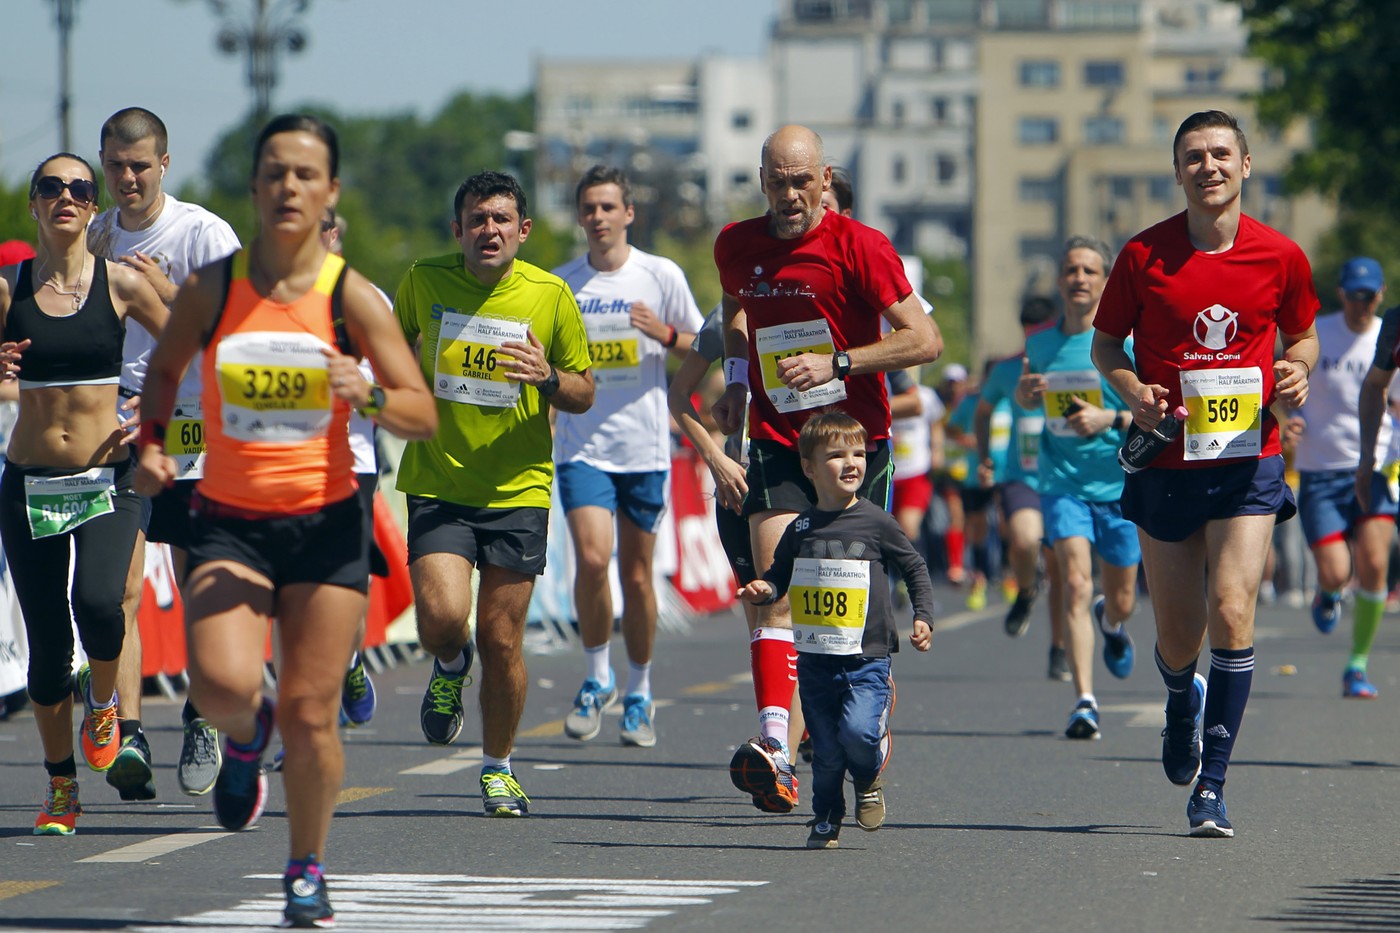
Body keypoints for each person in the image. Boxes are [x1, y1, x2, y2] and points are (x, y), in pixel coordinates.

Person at [134, 114, 436, 925]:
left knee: (313, 710)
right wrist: (155, 444)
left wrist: (364, 390)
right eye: (275, 172)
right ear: (256, 187)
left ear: (330, 190)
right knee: (222, 682)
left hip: (327, 520)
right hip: (227, 518)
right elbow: (164, 369)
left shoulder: (349, 297)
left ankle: (306, 865)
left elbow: (420, 410)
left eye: (306, 174)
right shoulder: (214, 288)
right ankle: (243, 735)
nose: (289, 186)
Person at [1093, 110, 1319, 838]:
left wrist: (1297, 370)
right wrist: (1131, 391)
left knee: (1231, 609)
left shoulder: (1279, 256)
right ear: (1179, 171)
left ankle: (1212, 786)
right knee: (1179, 635)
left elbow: (1304, 336)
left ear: (1246, 165)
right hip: (1166, 460)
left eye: (1222, 154)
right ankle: (1180, 701)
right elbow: (1105, 347)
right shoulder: (1143, 256)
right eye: (1195, 156)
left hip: (1247, 458)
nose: (1209, 166)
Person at [711, 124, 942, 813]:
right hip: (781, 442)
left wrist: (841, 362)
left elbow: (925, 340)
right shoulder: (735, 246)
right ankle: (775, 744)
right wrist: (733, 379)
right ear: (762, 180)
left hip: (852, 446)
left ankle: (866, 707)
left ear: (824, 178)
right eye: (777, 181)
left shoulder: (861, 246)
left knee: (839, 602)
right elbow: (733, 314)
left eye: (802, 181)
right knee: (776, 581)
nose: (790, 195)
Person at [397, 171, 593, 818]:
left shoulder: (550, 293)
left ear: (523, 229)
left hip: (518, 488)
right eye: (478, 219)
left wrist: (547, 376)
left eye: (502, 219)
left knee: (503, 637)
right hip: (439, 482)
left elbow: (585, 390)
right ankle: (451, 665)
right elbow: (389, 349)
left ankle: (498, 766)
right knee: (443, 619)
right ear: (459, 229)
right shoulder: (424, 279)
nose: (490, 230)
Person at [0, 152, 167, 834]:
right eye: (51, 187)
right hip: (31, 483)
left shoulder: (123, 283)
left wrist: (152, 417)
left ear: (92, 207)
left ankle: (104, 702)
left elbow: (192, 346)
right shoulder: (7, 290)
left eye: (78, 188)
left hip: (107, 474)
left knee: (100, 603)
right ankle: (61, 786)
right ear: (35, 205)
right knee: (44, 649)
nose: (64, 196)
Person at [88, 107, 242, 801]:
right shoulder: (93, 235)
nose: (127, 179)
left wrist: (169, 292)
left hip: (195, 427)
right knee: (116, 587)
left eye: (140, 166)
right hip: (117, 426)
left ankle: (203, 713)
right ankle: (131, 734)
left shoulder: (201, 231)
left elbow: (243, 326)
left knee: (198, 587)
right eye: (116, 165)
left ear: (165, 164)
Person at [551, 166, 703, 748]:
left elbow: (707, 341)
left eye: (608, 207)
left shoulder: (659, 274)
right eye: (588, 208)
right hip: (582, 447)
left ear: (628, 214)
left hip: (644, 448)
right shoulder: (563, 285)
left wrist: (664, 335)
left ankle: (639, 692)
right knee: (593, 561)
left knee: (637, 576)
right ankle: (596, 679)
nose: (598, 218)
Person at [736, 412, 933, 849]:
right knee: (824, 752)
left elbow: (914, 566)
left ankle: (866, 779)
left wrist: (923, 616)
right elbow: (779, 577)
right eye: (837, 455)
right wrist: (762, 589)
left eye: (859, 454)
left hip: (867, 656)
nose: (852, 463)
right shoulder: (801, 527)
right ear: (808, 468)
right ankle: (825, 817)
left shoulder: (876, 522)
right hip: (815, 660)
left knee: (859, 735)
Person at [1017, 236, 1140, 740]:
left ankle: (1111, 625)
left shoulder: (1126, 345)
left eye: (1090, 271)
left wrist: (1110, 415)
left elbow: (1150, 414)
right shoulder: (1041, 344)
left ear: (1105, 280)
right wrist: (1026, 395)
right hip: (1061, 482)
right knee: (1073, 583)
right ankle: (1085, 701)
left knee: (1123, 598)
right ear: (1060, 278)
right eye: (1071, 270)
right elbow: (1031, 403)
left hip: (1118, 484)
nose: (1080, 279)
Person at [1298, 257, 1394, 697]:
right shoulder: (1319, 333)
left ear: (1382, 294)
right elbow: (1289, 384)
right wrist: (1290, 416)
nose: (1361, 304)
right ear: (1340, 294)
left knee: (1374, 563)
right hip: (1321, 468)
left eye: (1369, 295)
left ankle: (1356, 665)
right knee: (1337, 571)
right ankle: (1328, 591)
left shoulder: (1387, 335)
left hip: (1376, 467)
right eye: (1354, 295)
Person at [976, 296, 1071, 679]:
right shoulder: (1006, 369)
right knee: (1023, 540)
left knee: (1063, 568)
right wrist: (985, 457)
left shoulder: (1073, 363)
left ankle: (1060, 648)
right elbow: (982, 412)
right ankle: (1028, 590)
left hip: (1065, 477)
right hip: (1022, 477)